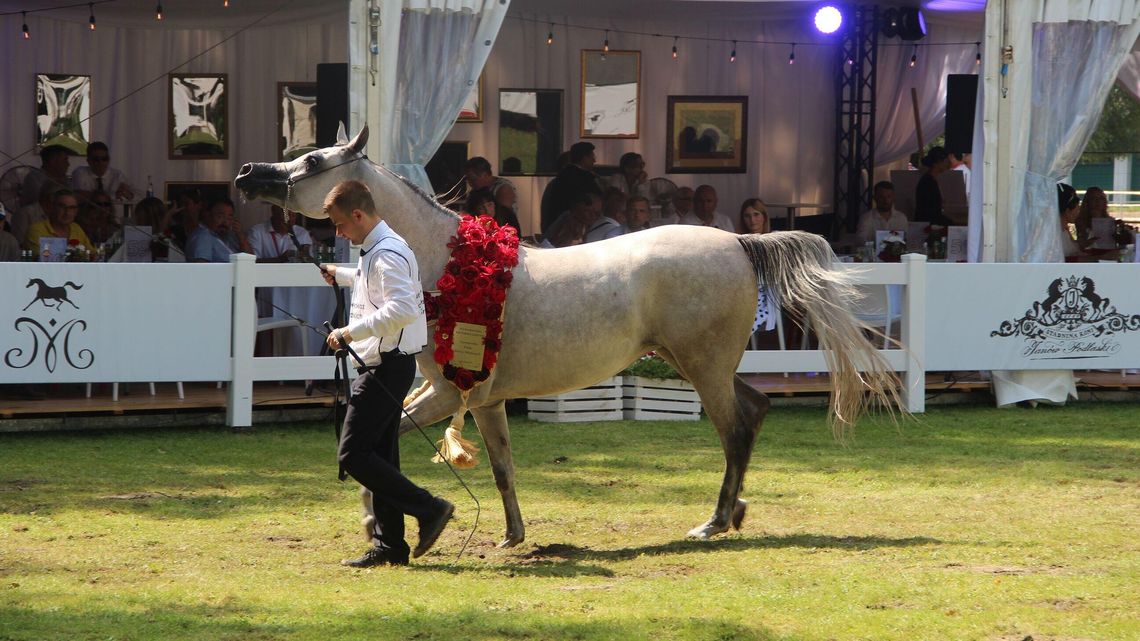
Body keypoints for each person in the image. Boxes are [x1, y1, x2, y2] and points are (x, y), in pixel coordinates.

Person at [319, 179, 453, 567]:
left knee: (354, 454)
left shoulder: (387, 252)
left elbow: (403, 309)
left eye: (341, 224)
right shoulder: (378, 247)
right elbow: (376, 286)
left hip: (385, 366)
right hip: (386, 364)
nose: (339, 232)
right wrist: (342, 275)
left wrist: (347, 332)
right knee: (380, 456)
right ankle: (390, 545)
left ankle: (429, 508)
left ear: (359, 215)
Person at [539, 141, 603, 235]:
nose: (594, 160)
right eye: (592, 156)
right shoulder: (584, 178)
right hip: (575, 228)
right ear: (584, 158)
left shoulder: (562, 177)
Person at [24, 189, 92, 251]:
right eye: (62, 207)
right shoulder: (36, 230)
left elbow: (92, 254)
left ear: (76, 211)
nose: (67, 212)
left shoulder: (76, 228)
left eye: (72, 208)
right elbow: (41, 261)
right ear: (53, 207)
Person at [248, 206, 312, 262]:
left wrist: (305, 257)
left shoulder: (302, 233)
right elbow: (251, 262)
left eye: (293, 215)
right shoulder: (257, 232)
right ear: (274, 211)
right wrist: (280, 259)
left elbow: (310, 264)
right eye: (287, 214)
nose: (290, 219)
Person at [913, 146, 954, 227]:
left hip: (931, 222)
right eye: (946, 160)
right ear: (939, 161)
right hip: (927, 224)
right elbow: (930, 211)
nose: (948, 163)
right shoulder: (928, 182)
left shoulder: (931, 179)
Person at [1058, 182, 1082, 259]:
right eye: (1077, 206)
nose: (1079, 209)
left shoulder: (1065, 231)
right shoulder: (1058, 234)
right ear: (1068, 209)